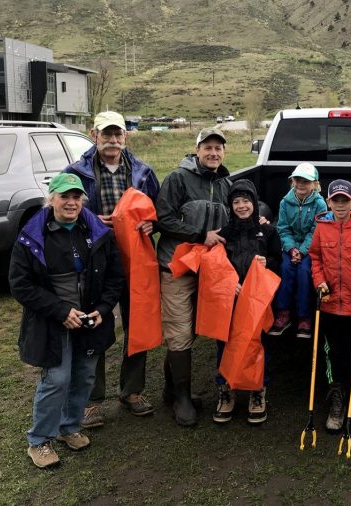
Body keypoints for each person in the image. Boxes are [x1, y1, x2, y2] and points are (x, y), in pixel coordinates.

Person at [9, 172, 124, 469]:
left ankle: (69, 427)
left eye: (76, 197)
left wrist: (103, 308)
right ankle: (39, 441)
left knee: (85, 375)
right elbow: (20, 284)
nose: (71, 202)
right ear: (52, 200)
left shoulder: (98, 231)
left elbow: (115, 275)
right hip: (53, 321)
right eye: (64, 196)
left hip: (90, 320)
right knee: (57, 379)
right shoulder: (32, 236)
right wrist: (60, 312)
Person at [62, 110, 160, 428]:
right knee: (94, 322)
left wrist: (153, 223)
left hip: (136, 258)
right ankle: (91, 399)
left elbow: (158, 210)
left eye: (118, 134)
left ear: (125, 137)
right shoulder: (76, 172)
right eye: (107, 134)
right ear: (95, 135)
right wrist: (89, 220)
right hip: (94, 259)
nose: (113, 140)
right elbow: (61, 210)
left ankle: (132, 391)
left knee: (138, 322)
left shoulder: (143, 172)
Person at [155, 128, 232, 427]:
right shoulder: (178, 178)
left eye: (218, 148)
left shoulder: (226, 183)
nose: (213, 153)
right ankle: (182, 398)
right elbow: (164, 219)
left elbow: (233, 219)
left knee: (191, 331)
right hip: (176, 267)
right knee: (179, 330)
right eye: (208, 147)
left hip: (207, 269)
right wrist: (200, 235)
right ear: (197, 150)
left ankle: (170, 390)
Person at [309, 179, 351, 434]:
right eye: (335, 200)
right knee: (332, 354)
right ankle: (336, 398)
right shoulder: (321, 228)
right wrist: (319, 282)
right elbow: (315, 258)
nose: (340, 205)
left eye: (345, 200)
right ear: (328, 202)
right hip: (329, 306)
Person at [213, 179, 281, 425]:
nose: (242, 206)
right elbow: (214, 265)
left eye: (246, 201)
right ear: (230, 206)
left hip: (257, 299)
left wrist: (267, 263)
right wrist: (228, 283)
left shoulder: (268, 231)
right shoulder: (223, 234)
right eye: (236, 202)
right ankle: (226, 390)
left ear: (254, 202)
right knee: (225, 342)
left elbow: (278, 261)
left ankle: (257, 391)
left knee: (258, 343)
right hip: (230, 298)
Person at [269, 163, 327, 339]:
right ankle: (283, 313)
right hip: (290, 247)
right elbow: (283, 228)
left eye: (306, 181)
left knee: (304, 272)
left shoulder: (320, 204)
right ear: (292, 182)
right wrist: (292, 248)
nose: (301, 184)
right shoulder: (285, 202)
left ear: (315, 184)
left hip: (310, 249)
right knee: (285, 269)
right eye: (298, 180)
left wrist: (301, 251)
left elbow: (316, 231)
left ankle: (304, 316)